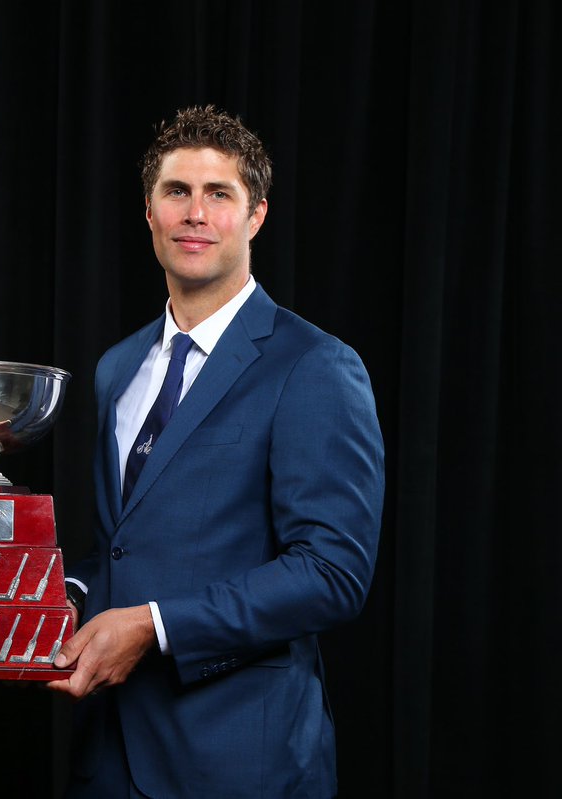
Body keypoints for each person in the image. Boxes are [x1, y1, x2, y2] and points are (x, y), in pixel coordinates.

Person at [48, 105, 384, 798]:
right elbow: (121, 546)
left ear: (256, 215)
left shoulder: (314, 364)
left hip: (239, 761)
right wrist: (58, 597)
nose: (194, 213)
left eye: (218, 194)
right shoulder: (118, 368)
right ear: (149, 212)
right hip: (108, 757)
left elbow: (332, 572)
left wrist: (155, 626)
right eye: (176, 192)